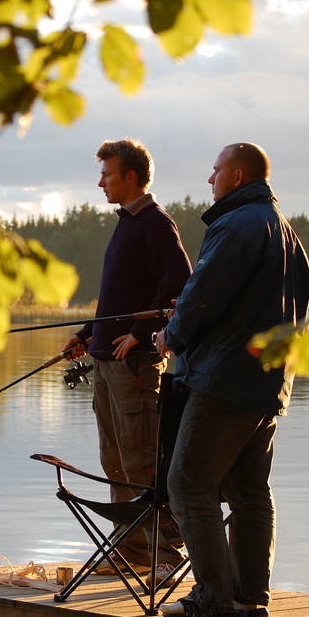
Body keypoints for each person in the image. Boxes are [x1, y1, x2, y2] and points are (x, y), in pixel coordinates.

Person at [154, 143, 309, 617]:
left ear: (238, 176)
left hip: (224, 379)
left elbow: (204, 296)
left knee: (187, 483)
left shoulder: (235, 225)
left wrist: (171, 336)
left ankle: (212, 598)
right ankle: (249, 596)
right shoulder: (286, 233)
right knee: (248, 491)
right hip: (268, 384)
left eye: (216, 171)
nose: (210, 180)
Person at [61, 138, 192, 587]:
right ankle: (133, 552)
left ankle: (167, 556)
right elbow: (119, 299)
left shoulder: (156, 224)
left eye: (107, 174)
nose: (100, 182)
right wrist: (85, 334)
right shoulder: (124, 224)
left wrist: (138, 333)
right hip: (105, 364)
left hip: (135, 366)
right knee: (114, 461)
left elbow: (179, 288)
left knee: (142, 463)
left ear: (130, 177)